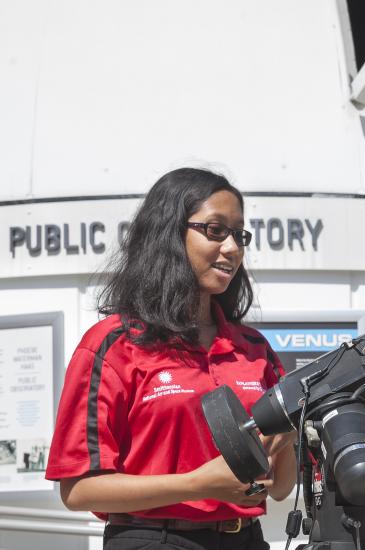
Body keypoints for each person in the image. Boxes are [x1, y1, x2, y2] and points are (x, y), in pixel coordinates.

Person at [45, 168, 296, 550]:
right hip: (152, 539)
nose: (232, 248)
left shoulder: (254, 349)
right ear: (169, 235)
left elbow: (279, 488)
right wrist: (199, 484)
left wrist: (286, 441)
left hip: (247, 539)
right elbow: (78, 490)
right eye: (215, 230)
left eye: (239, 234)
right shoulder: (112, 346)